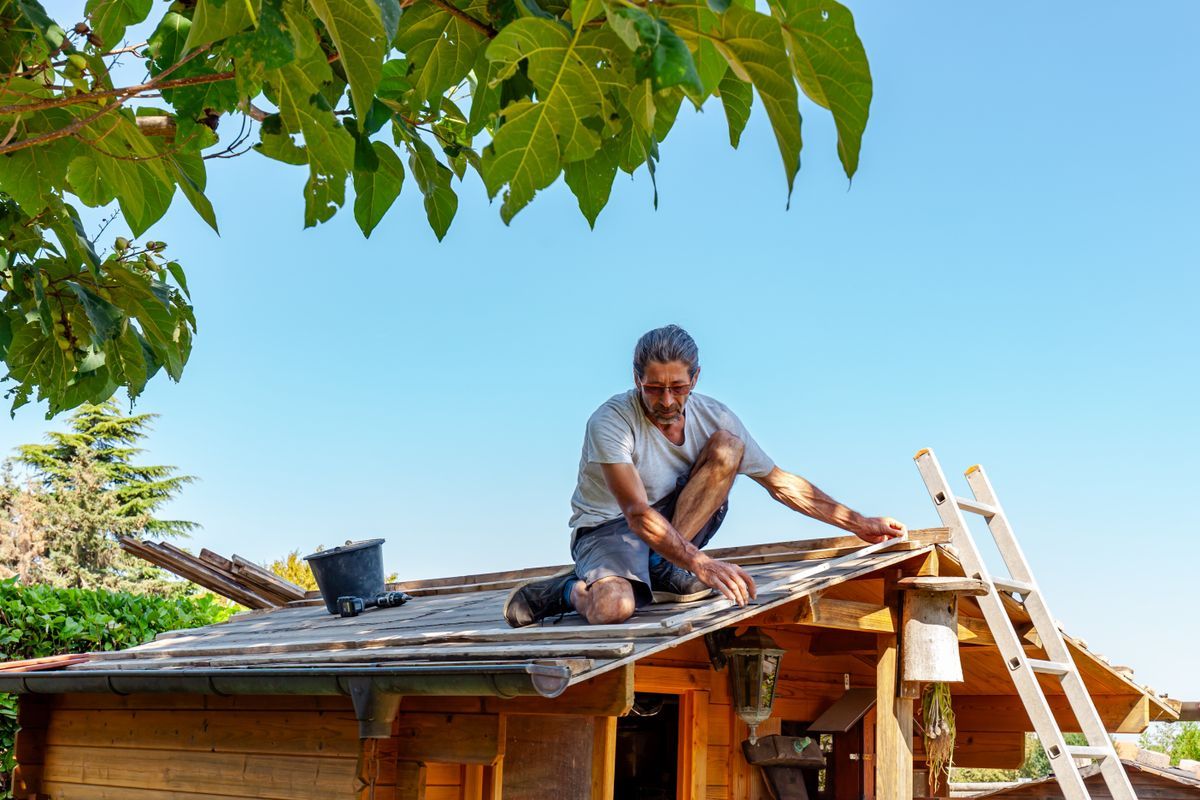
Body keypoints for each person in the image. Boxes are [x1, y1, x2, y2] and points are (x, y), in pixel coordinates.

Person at [503, 325, 907, 628]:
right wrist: (700, 563)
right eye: (653, 388)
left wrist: (860, 522)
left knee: (729, 446)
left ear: (695, 378)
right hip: (611, 528)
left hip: (673, 527)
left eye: (677, 388)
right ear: (636, 379)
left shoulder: (714, 414)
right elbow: (637, 514)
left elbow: (779, 483)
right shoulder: (611, 421)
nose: (666, 400)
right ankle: (566, 590)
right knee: (614, 608)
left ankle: (664, 569)